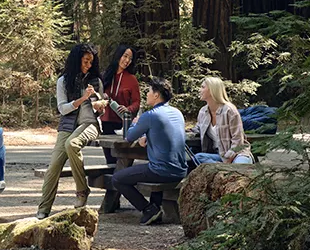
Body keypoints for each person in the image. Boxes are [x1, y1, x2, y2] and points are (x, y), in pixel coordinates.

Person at [37, 44, 110, 218]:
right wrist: (82, 99)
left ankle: (82, 190)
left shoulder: (96, 81)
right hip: (67, 126)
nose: (89, 65)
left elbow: (100, 109)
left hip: (90, 124)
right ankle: (43, 210)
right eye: (85, 61)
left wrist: (100, 107)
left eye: (91, 62)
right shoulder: (63, 81)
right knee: (53, 167)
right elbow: (62, 109)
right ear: (77, 60)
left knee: (73, 144)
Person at [117, 77, 188, 225]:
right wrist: (147, 136)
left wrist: (135, 123)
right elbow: (164, 133)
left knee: (117, 179)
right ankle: (156, 208)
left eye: (149, 91)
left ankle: (148, 209)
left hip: (161, 171)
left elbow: (129, 137)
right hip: (181, 170)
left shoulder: (150, 115)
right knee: (156, 164)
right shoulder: (177, 113)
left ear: (156, 95)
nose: (147, 94)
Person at [190, 77, 253, 164]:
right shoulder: (203, 112)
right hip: (220, 155)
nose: (199, 90)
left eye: (203, 87)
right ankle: (224, 169)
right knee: (198, 157)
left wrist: (228, 159)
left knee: (240, 165)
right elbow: (196, 130)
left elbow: (238, 140)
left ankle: (224, 169)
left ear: (212, 90)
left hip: (237, 154)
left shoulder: (229, 110)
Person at [99, 44, 142, 165]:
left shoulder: (132, 79)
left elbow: (137, 102)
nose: (127, 60)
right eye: (125, 56)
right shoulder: (105, 75)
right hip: (106, 122)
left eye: (130, 59)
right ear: (118, 55)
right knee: (110, 161)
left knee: (123, 161)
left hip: (124, 124)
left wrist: (128, 109)